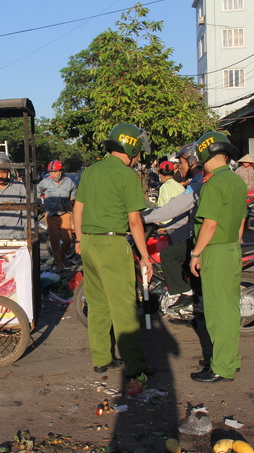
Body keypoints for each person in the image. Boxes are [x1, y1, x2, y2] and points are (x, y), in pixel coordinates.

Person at [72, 123, 153, 395]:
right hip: (112, 242)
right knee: (123, 308)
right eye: (138, 153)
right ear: (130, 148)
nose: (140, 157)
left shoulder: (91, 171)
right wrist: (145, 256)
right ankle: (136, 368)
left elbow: (78, 207)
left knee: (97, 304)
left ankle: (101, 360)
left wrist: (79, 239)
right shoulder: (127, 175)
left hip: (90, 244)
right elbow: (135, 221)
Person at [188, 131, 246, 383]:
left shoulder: (213, 184)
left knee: (217, 313)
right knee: (230, 309)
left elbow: (209, 224)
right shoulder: (236, 180)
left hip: (216, 250)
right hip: (232, 248)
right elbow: (241, 221)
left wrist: (196, 253)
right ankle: (228, 358)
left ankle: (222, 366)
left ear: (205, 152)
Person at [143, 143, 203, 310]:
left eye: (181, 163)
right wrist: (167, 225)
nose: (179, 168)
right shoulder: (193, 182)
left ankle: (185, 294)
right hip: (188, 230)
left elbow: (175, 207)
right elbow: (185, 215)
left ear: (192, 161)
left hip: (201, 235)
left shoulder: (199, 183)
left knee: (169, 255)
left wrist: (146, 219)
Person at [37, 160, 77, 270]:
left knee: (68, 239)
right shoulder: (45, 182)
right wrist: (40, 203)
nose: (53, 174)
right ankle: (59, 264)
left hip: (65, 213)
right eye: (51, 172)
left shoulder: (69, 182)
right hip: (51, 214)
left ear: (61, 171)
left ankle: (62, 256)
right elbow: (37, 190)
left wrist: (71, 200)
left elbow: (74, 192)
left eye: (56, 172)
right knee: (54, 241)